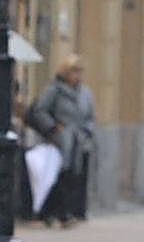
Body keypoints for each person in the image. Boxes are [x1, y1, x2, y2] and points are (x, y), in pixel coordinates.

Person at [26, 54, 95, 225]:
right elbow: (39, 110)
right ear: (65, 72)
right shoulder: (53, 90)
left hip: (78, 140)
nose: (77, 76)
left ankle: (72, 211)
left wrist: (87, 132)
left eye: (80, 72)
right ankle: (53, 213)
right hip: (59, 140)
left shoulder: (85, 93)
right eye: (74, 71)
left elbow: (89, 116)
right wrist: (52, 127)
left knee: (75, 176)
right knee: (58, 175)